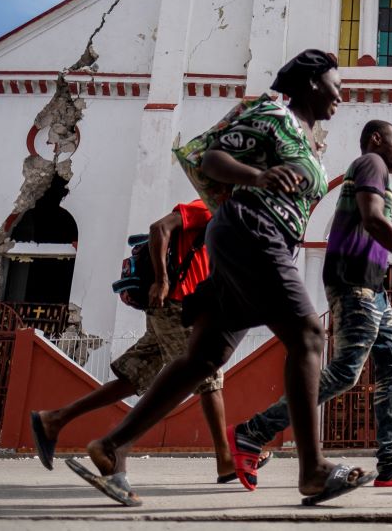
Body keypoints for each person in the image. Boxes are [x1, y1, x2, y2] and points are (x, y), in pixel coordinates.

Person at [67, 49, 373, 507]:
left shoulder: (308, 138)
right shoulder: (273, 113)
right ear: (312, 82)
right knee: (310, 335)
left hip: (261, 239)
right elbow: (213, 160)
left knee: (203, 359)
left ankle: (112, 445)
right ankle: (312, 470)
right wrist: (259, 175)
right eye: (336, 86)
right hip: (252, 229)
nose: (340, 97)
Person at [228, 120, 392, 490]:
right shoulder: (371, 164)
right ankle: (252, 433)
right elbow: (374, 220)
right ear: (376, 140)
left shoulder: (376, 170)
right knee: (347, 371)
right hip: (354, 283)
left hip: (373, 290)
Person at [30, 200, 269, 492]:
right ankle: (223, 458)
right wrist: (161, 280)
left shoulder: (229, 221)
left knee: (134, 379)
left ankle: (54, 419)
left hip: (178, 307)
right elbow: (159, 228)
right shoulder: (206, 207)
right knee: (207, 373)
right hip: (174, 305)